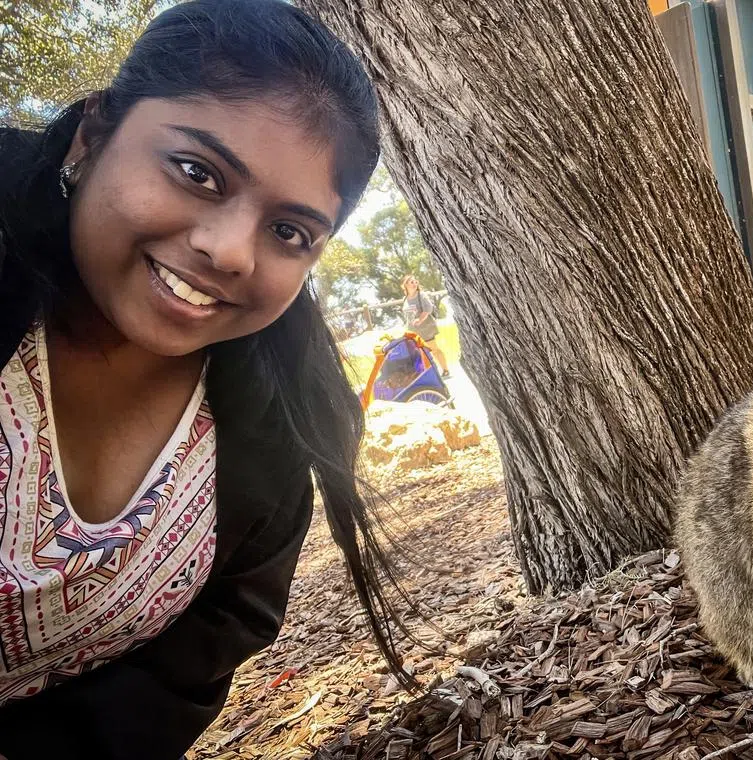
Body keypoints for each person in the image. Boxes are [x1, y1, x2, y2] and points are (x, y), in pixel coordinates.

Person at [0, 2, 411, 757]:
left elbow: (191, 663)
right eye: (198, 172)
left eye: (289, 231)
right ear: (95, 133)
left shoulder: (284, 433)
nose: (230, 252)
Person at [400, 274, 450, 378]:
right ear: (405, 285)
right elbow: (408, 316)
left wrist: (420, 319)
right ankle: (430, 375)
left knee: (434, 350)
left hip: (426, 329)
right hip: (413, 333)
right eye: (411, 282)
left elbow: (428, 308)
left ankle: (445, 370)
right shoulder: (405, 299)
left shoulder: (421, 295)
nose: (414, 284)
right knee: (420, 355)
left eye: (415, 281)